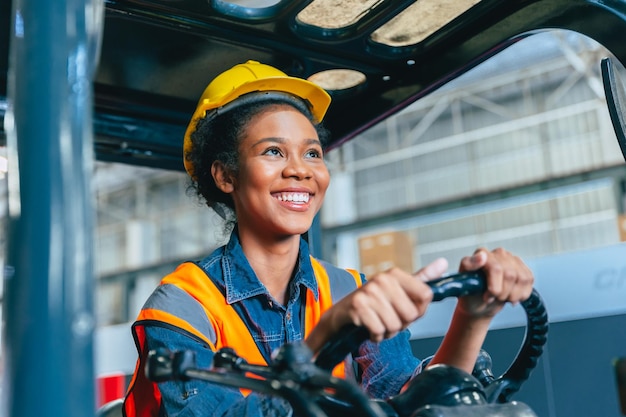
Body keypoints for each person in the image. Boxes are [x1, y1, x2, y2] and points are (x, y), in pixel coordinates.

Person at [122, 60, 534, 417]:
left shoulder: (348, 289)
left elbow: (408, 403)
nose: (301, 170)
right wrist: (324, 338)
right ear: (225, 175)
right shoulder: (182, 307)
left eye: (313, 153)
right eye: (273, 152)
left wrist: (472, 318)